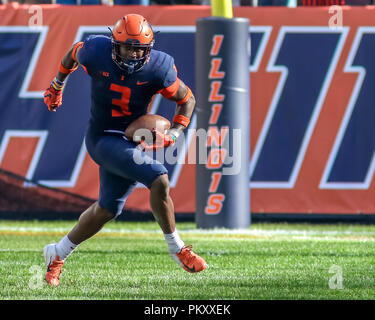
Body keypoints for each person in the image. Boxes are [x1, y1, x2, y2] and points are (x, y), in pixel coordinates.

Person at [42, 14, 207, 286]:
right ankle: (177, 247)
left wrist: (176, 133)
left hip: (130, 139)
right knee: (159, 178)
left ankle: (57, 253)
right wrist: (57, 85)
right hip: (102, 138)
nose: (133, 54)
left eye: (140, 49)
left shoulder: (159, 67)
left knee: (107, 209)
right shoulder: (96, 51)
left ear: (149, 50)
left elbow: (187, 100)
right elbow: (73, 53)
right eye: (127, 47)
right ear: (113, 44)